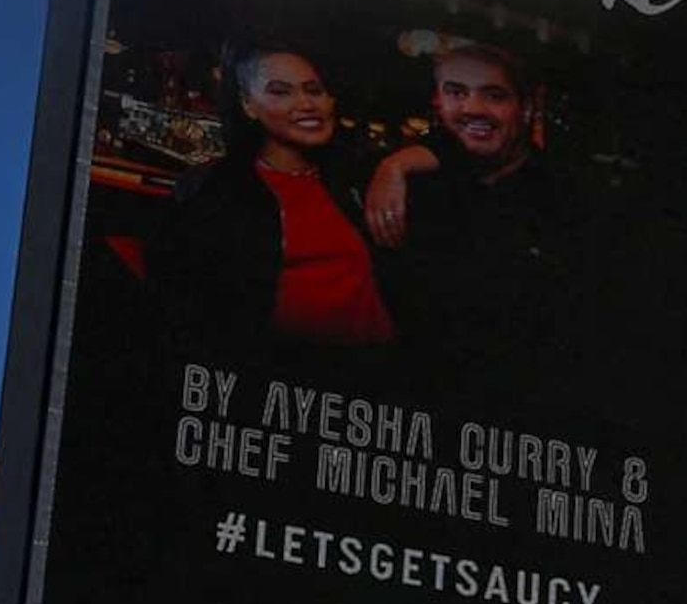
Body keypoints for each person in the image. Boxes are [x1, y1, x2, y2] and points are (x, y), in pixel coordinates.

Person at [162, 46, 393, 350]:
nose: (306, 103)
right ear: (248, 105)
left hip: (367, 377)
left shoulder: (354, 182)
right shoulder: (215, 186)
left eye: (314, 90)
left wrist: (396, 166)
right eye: (281, 92)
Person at [363, 42, 572, 377]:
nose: (472, 108)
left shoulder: (563, 199)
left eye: (494, 95)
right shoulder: (413, 188)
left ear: (527, 107)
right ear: (439, 102)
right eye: (456, 92)